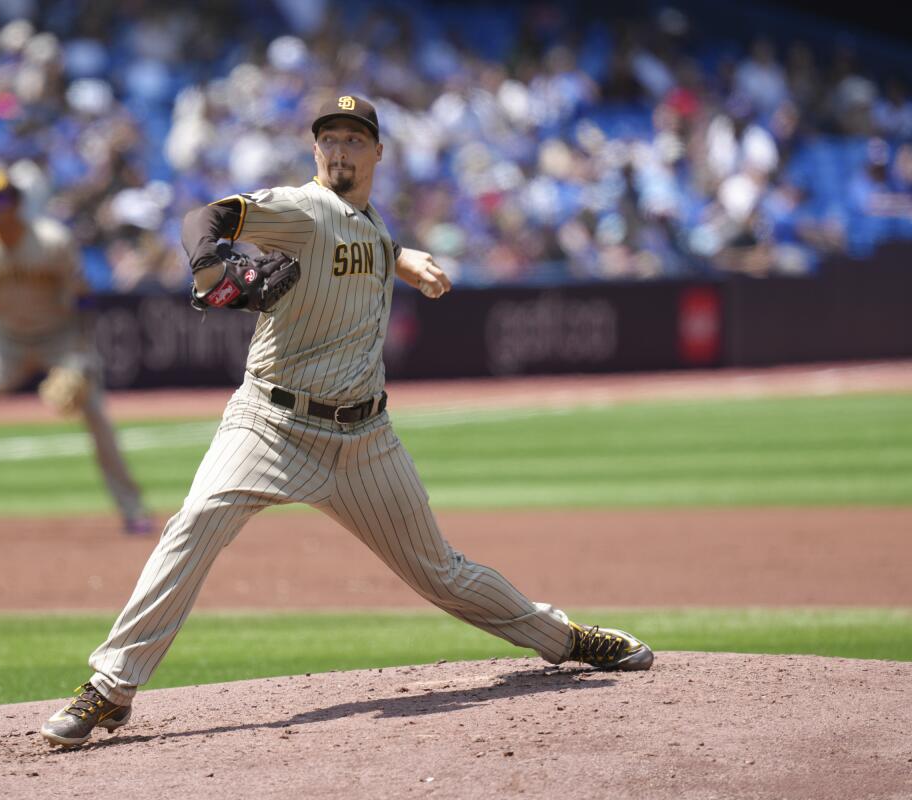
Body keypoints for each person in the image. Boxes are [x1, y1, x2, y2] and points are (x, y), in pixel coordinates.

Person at [40, 95, 653, 747]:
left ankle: (566, 639)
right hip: (270, 425)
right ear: (314, 151)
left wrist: (405, 257)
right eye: (328, 139)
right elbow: (208, 216)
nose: (339, 149)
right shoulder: (303, 208)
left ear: (377, 154)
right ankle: (109, 688)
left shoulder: (370, 226)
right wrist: (209, 262)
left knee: (442, 573)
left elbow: (366, 239)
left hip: (364, 441)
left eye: (354, 140)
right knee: (194, 523)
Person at [0, 167, 152, 539]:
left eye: (5, 198)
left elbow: (83, 295)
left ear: (19, 204)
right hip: (4, 340)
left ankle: (132, 510)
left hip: (59, 337)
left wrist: (82, 354)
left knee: (97, 416)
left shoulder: (51, 241)